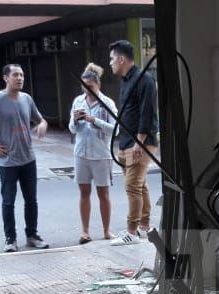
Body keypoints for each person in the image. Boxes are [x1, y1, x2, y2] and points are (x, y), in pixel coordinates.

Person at [0, 64, 50, 252]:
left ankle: (32, 235)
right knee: (8, 202)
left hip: (28, 159)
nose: (19, 78)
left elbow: (41, 119)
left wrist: (42, 125)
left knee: (31, 201)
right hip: (8, 162)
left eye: (21, 75)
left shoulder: (27, 99)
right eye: (15, 75)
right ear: (6, 78)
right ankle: (10, 239)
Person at [108, 39, 158, 246]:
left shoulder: (144, 79)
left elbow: (147, 112)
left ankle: (131, 232)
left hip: (140, 142)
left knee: (132, 186)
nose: (110, 63)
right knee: (140, 185)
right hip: (127, 140)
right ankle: (143, 226)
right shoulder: (127, 80)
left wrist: (139, 142)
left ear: (121, 59)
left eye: (112, 59)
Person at [67, 63, 117, 244]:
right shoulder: (78, 101)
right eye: (84, 86)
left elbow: (115, 129)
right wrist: (75, 120)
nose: (87, 89)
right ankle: (85, 232)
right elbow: (72, 129)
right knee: (84, 192)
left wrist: (93, 120)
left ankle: (106, 230)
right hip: (81, 153)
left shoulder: (107, 103)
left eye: (91, 86)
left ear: (98, 84)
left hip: (101, 154)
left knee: (103, 193)